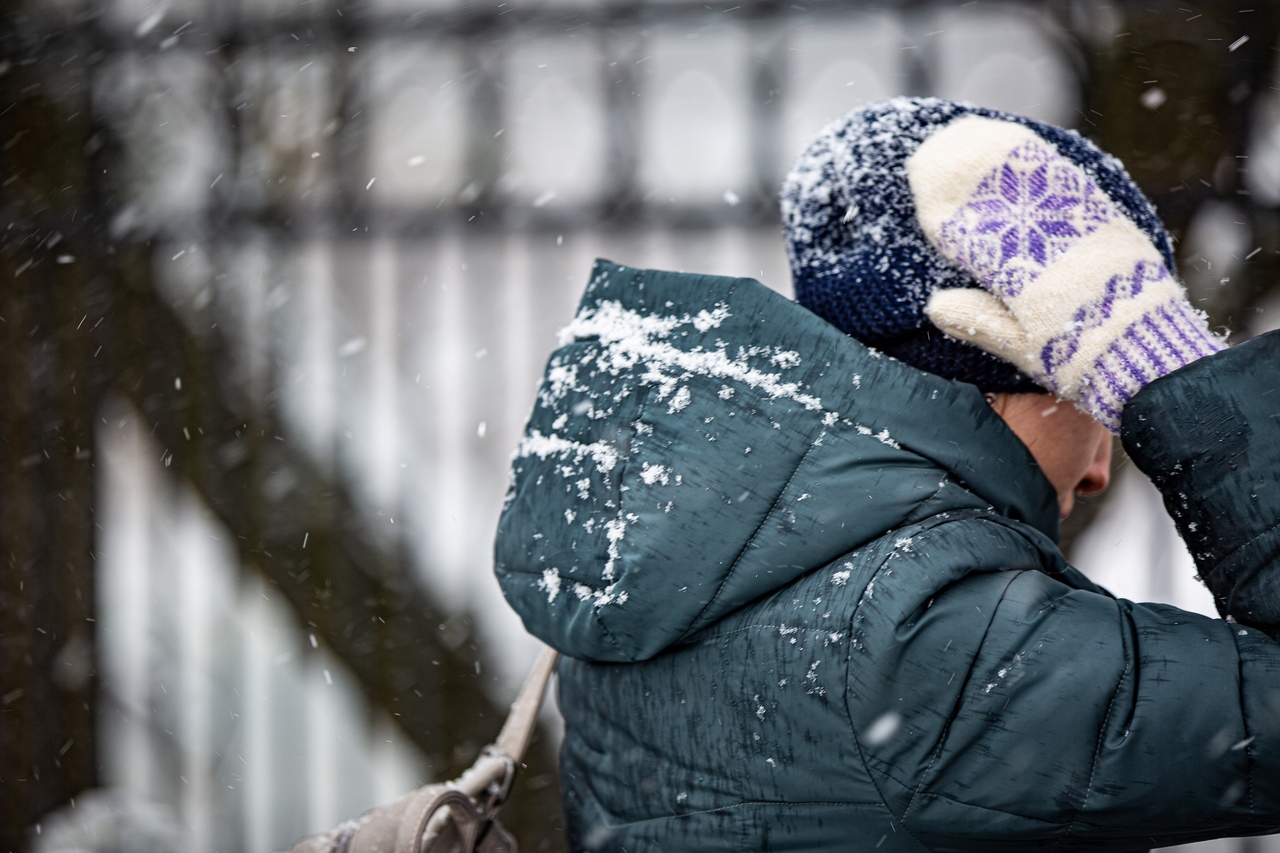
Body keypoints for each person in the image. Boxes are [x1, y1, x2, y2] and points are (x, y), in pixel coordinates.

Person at [493, 98, 1280, 851]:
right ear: (995, 357)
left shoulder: (687, 563)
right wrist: (1171, 373)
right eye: (1094, 394)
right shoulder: (940, 645)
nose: (1105, 463)